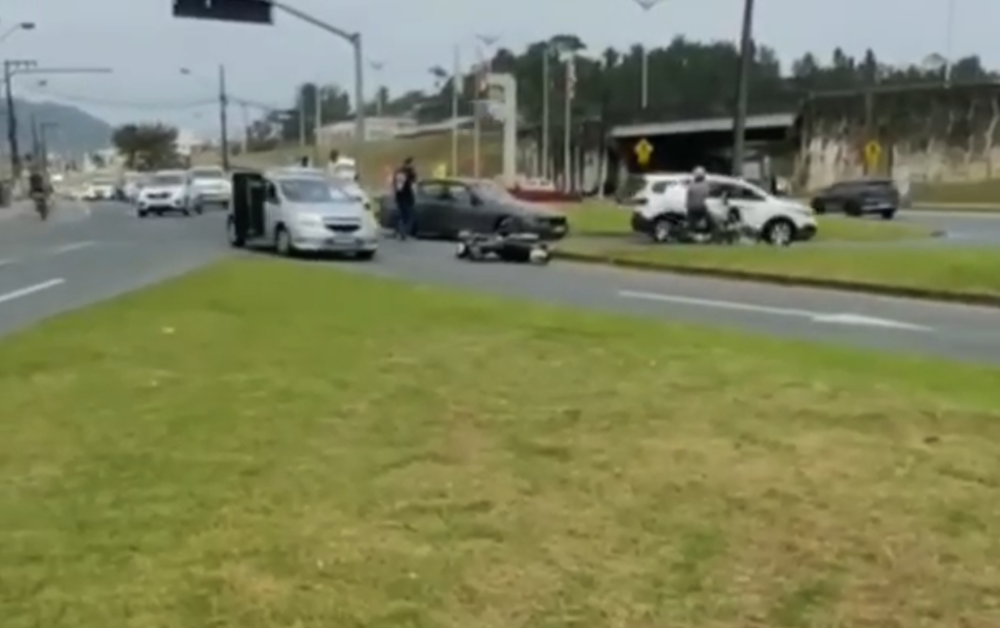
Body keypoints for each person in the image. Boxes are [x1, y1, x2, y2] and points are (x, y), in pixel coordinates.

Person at [685, 166, 716, 235]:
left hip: (693, 207)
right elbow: (708, 194)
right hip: (700, 207)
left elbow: (689, 195)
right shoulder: (705, 184)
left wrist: (687, 205)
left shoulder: (691, 184)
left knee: (692, 223)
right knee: (710, 221)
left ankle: (691, 233)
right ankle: (708, 233)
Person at [393, 157, 417, 239]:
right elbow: (412, 182)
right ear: (408, 164)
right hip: (405, 197)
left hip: (401, 197)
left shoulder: (399, 172)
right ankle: (403, 232)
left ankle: (400, 231)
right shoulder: (407, 173)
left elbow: (396, 185)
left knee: (403, 215)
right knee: (406, 215)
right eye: (411, 164)